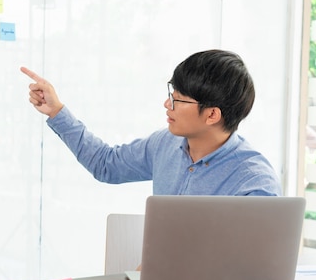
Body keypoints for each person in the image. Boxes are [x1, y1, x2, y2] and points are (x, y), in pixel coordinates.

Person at [21, 49, 281, 196]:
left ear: (212, 115)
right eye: (171, 96)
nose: (167, 105)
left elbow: (251, 262)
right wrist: (57, 112)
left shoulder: (254, 182)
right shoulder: (165, 144)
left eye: (179, 100)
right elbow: (106, 165)